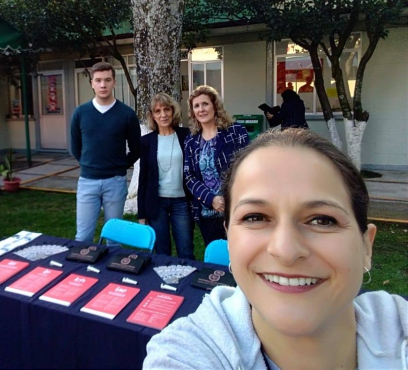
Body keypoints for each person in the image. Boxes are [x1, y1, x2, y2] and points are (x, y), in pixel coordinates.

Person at [144, 129, 407, 370]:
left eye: (322, 220)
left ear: (366, 246)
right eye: (255, 217)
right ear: (229, 238)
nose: (286, 250)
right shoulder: (186, 354)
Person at [70, 62, 141, 242]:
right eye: (98, 80)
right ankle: (83, 269)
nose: (103, 85)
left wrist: (120, 165)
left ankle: (113, 269)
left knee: (114, 238)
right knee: (83, 236)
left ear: (114, 82)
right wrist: (89, 164)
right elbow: (75, 147)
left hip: (115, 182)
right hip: (87, 181)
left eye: (107, 80)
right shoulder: (80, 113)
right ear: (92, 83)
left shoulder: (126, 114)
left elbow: (136, 148)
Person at [184, 85, 249, 247]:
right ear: (193, 112)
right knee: (216, 260)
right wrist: (211, 199)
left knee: (240, 257)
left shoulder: (235, 132)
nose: (201, 109)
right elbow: (189, 176)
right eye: (196, 106)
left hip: (235, 208)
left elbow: (246, 169)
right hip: (207, 212)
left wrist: (227, 198)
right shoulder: (191, 141)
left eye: (205, 104)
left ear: (215, 105)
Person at [138, 93, 194, 259]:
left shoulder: (187, 135)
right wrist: (142, 213)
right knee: (161, 251)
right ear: (152, 116)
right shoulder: (146, 141)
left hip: (182, 202)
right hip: (157, 203)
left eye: (166, 109)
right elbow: (143, 178)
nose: (163, 114)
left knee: (185, 249)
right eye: (158, 111)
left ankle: (187, 283)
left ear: (173, 111)